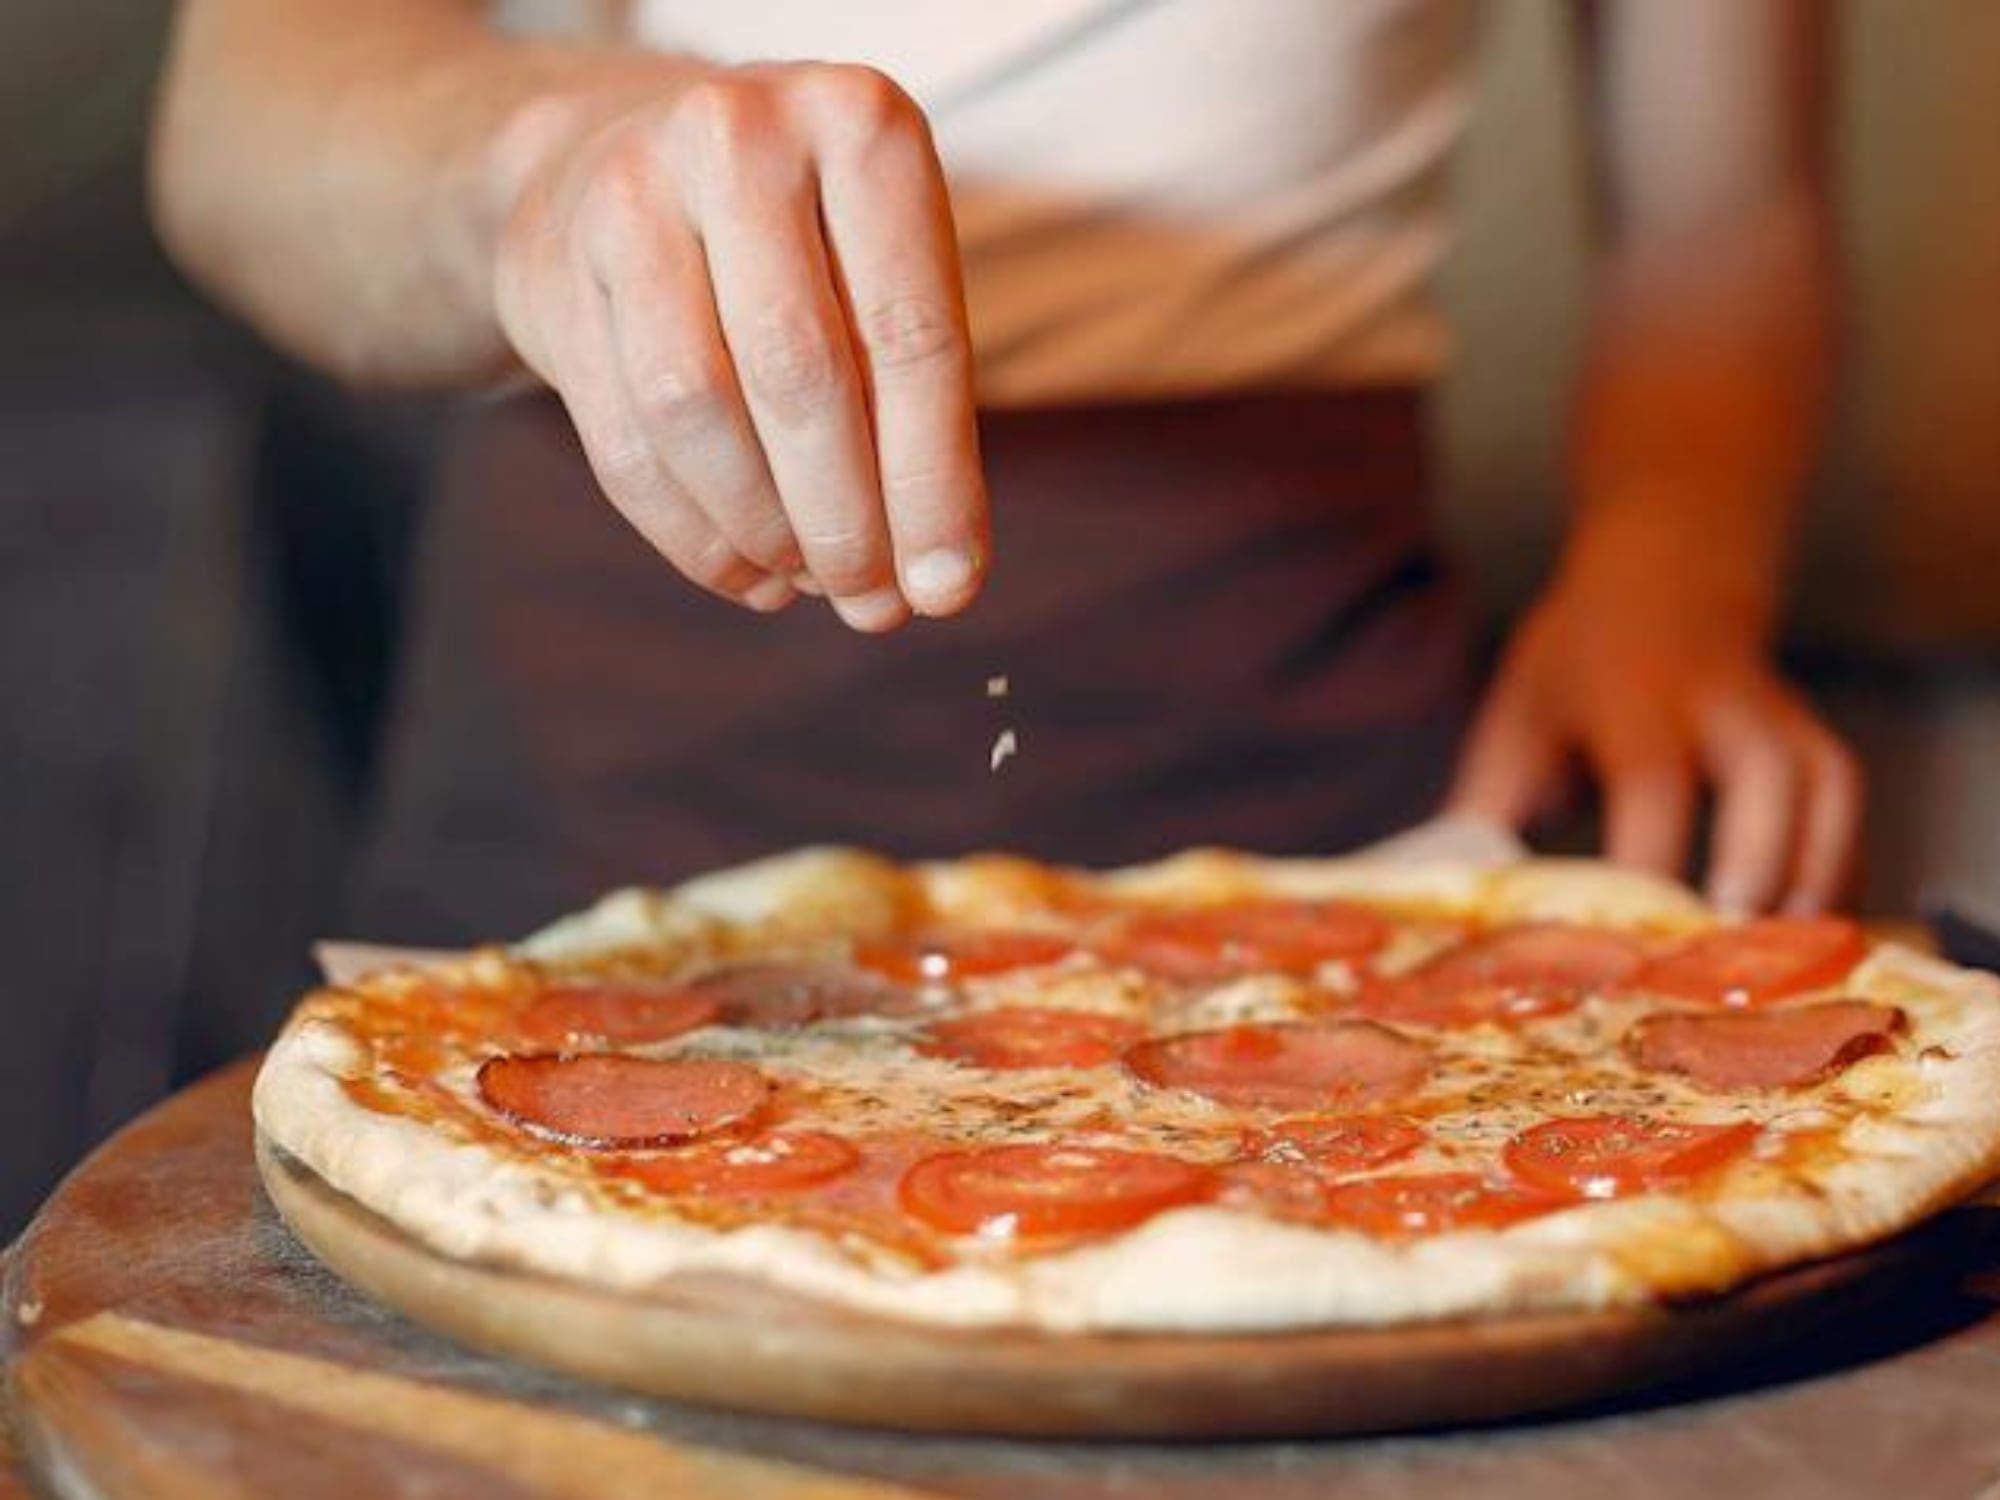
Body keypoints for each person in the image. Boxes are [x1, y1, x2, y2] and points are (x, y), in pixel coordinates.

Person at [150, 0, 1859, 943]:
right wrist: (542, 164)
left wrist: (1670, 571)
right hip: (594, 752)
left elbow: (1721, 221)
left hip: (1310, 788)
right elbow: (238, 115)